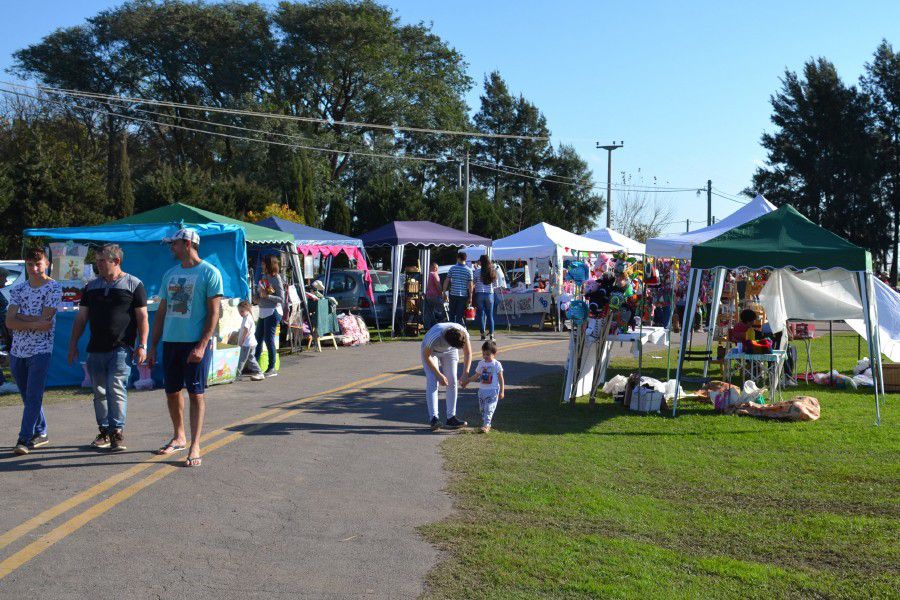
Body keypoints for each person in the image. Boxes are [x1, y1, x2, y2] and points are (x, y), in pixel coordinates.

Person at [147, 228, 223, 468]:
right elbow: (161, 313)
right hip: (171, 342)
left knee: (196, 393)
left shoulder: (210, 273)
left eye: (175, 243)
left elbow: (214, 313)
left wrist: (202, 345)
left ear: (188, 244)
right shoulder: (170, 274)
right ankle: (179, 437)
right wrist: (153, 346)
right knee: (171, 391)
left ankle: (195, 445)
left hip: (194, 343)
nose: (172, 247)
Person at [68, 244, 148, 451]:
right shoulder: (91, 286)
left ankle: (117, 432)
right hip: (95, 349)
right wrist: (73, 344)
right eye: (97, 261)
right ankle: (104, 431)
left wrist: (143, 345)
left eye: (102, 260)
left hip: (121, 348)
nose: (98, 264)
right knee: (99, 392)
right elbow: (81, 317)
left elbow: (142, 317)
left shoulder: (134, 284)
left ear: (116, 261)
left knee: (116, 388)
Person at [6, 248, 62, 455]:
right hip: (18, 350)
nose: (34, 268)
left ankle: (24, 438)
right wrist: (34, 320)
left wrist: (22, 318)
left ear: (47, 263)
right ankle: (40, 430)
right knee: (26, 394)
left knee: (33, 395)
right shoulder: (18, 289)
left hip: (40, 349)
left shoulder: (54, 288)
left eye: (38, 263)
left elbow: (46, 323)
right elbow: (9, 322)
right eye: (30, 264)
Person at [421, 321, 472, 431]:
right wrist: (439, 374)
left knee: (452, 380)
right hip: (431, 352)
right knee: (432, 381)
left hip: (450, 352)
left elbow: (468, 353)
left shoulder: (463, 333)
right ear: (448, 341)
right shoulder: (435, 336)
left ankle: (451, 418)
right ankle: (434, 418)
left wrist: (465, 374)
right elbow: (427, 356)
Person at [464, 340, 505, 433]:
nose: (485, 356)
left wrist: (502, 391)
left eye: (487, 354)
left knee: (489, 408)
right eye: (483, 354)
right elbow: (476, 376)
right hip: (482, 391)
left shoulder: (496, 364)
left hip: (493, 391)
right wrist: (467, 381)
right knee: (482, 409)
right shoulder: (481, 363)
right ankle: (486, 423)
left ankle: (486, 425)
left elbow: (501, 378)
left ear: (494, 354)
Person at [255, 254, 284, 377]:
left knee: (268, 339)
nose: (262, 266)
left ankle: (271, 368)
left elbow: (281, 298)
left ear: (269, 264)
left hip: (272, 312)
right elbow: (259, 294)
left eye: (263, 263)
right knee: (257, 338)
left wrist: (268, 296)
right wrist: (256, 298)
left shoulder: (276, 278)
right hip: (262, 311)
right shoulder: (263, 277)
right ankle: (254, 365)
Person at [236, 300, 265, 382]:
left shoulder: (247, 318)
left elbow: (246, 330)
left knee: (242, 359)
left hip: (247, 344)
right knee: (251, 359)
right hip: (251, 343)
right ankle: (259, 372)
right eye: (239, 311)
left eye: (242, 311)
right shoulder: (248, 317)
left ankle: (237, 375)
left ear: (247, 310)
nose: (240, 313)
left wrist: (241, 341)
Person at [443, 252, 473, 326]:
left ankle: (451, 330)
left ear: (458, 258)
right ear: (465, 259)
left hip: (453, 294)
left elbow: (447, 280)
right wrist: (471, 297)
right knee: (459, 316)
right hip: (463, 295)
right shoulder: (469, 270)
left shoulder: (452, 268)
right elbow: (470, 285)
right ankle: (458, 332)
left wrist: (444, 292)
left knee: (451, 314)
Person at [473, 255, 498, 341]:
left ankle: (482, 334)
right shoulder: (493, 271)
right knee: (490, 315)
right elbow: (496, 285)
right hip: (489, 294)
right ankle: (491, 335)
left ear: (481, 262)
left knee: (481, 315)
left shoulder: (477, 272)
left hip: (479, 294)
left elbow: (474, 282)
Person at [424, 262, 445, 328]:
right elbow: (438, 285)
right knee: (443, 309)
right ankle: (442, 324)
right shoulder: (434, 274)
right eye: (436, 268)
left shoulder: (427, 275)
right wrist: (441, 293)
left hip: (428, 296)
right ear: (432, 267)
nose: (437, 269)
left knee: (429, 312)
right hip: (435, 296)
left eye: (437, 268)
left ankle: (428, 326)